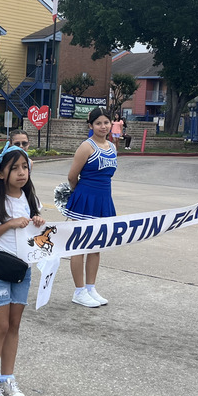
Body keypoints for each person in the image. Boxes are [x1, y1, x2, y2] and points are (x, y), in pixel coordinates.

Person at [0, 143, 44, 396]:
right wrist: (9, 224)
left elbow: (36, 238)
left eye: (24, 167)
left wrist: (38, 223)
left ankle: (7, 378)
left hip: (22, 270)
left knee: (14, 326)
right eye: (14, 168)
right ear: (1, 173)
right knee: (0, 326)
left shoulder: (31, 201)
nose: (21, 172)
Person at [65, 107, 117, 308]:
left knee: (96, 246)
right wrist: (80, 193)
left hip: (104, 199)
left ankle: (90, 287)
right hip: (85, 198)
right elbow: (72, 176)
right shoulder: (86, 147)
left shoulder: (112, 147)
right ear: (91, 126)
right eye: (98, 123)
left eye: (106, 122)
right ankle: (79, 291)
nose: (103, 126)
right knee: (79, 246)